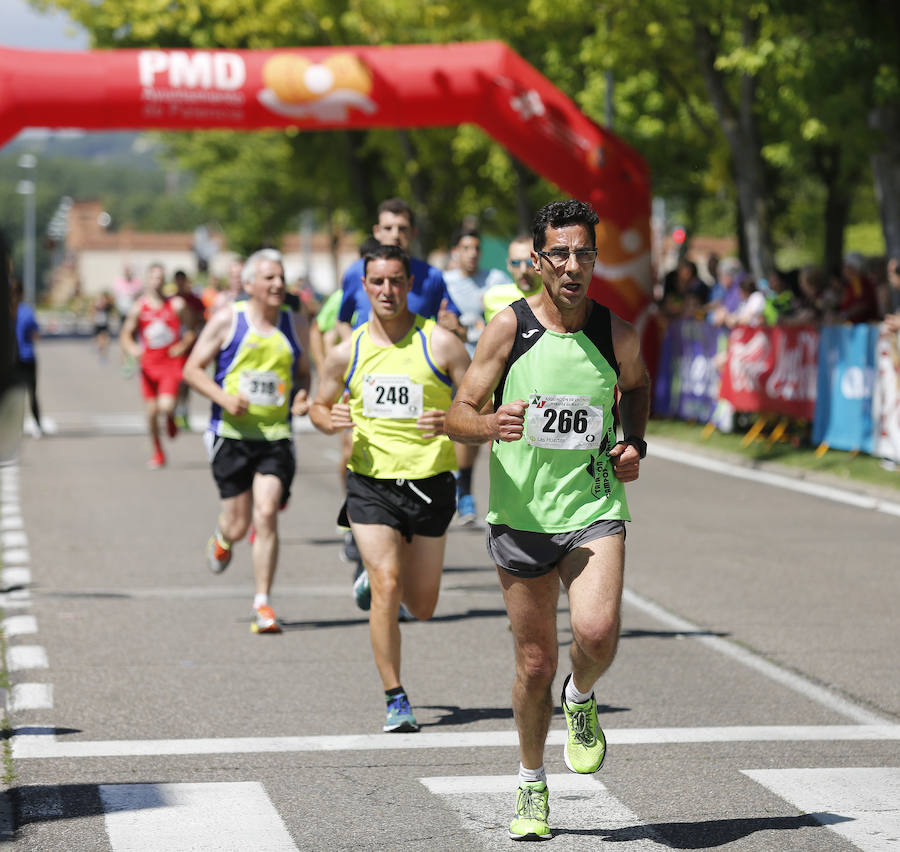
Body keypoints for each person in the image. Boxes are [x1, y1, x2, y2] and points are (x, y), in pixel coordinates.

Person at [445, 199, 650, 841]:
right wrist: (487, 424)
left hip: (592, 509)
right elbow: (458, 412)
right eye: (559, 254)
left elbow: (638, 387)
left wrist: (633, 443)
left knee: (598, 631)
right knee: (534, 665)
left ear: (594, 260)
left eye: (583, 253)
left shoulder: (615, 334)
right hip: (520, 518)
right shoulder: (508, 330)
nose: (572, 266)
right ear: (538, 262)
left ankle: (582, 697)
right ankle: (532, 785)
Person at [309, 244, 471, 732]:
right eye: (377, 281)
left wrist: (451, 419)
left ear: (409, 284)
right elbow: (318, 406)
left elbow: (480, 407)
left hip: (430, 482)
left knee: (422, 607)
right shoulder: (347, 352)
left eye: (395, 281)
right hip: (371, 483)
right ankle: (395, 696)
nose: (386, 290)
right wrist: (326, 417)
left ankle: (379, 582)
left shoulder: (441, 345)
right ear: (364, 286)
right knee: (388, 583)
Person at [183, 249, 311, 634]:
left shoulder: (296, 324)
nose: (276, 284)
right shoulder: (228, 320)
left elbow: (304, 373)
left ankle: (263, 604)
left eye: (281, 277)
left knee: (267, 511)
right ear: (250, 284)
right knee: (238, 525)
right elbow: (192, 369)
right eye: (268, 278)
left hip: (275, 436)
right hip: (232, 437)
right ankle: (224, 537)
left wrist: (302, 396)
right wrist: (223, 398)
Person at [443, 228, 511, 524]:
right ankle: (461, 490)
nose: (471, 254)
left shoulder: (496, 280)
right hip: (456, 366)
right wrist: (453, 329)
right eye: (465, 247)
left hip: (489, 367)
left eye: (476, 248)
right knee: (462, 427)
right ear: (455, 251)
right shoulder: (445, 282)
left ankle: (469, 491)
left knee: (486, 429)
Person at [119, 263, 198, 468]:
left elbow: (191, 331)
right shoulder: (140, 307)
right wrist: (133, 350)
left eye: (161, 277)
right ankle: (158, 452)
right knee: (151, 413)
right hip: (148, 365)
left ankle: (171, 416)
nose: (157, 281)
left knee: (165, 406)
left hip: (170, 364)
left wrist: (182, 346)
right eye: (153, 277)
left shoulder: (177, 305)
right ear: (147, 280)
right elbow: (126, 334)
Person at [172, 269, 206, 430]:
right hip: (173, 346)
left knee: (186, 381)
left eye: (182, 280)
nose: (179, 283)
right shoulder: (171, 300)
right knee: (174, 380)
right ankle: (174, 412)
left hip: (190, 346)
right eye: (177, 281)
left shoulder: (194, 300)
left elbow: (202, 319)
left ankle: (183, 411)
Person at [483, 234, 543, 323]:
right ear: (508, 265)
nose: (523, 270)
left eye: (530, 262)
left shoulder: (553, 295)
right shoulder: (493, 297)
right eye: (515, 263)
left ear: (540, 262)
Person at [10, 278, 42, 437]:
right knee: (32, 393)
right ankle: (37, 424)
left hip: (10, 359)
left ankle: (13, 427)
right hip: (27, 357)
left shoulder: (7, 310)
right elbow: (35, 334)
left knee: (12, 395)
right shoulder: (26, 311)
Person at [91, 290, 115, 362]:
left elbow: (111, 307)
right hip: (98, 323)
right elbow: (93, 311)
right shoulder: (96, 304)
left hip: (105, 324)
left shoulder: (108, 305)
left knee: (106, 338)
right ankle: (100, 349)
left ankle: (103, 353)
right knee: (98, 339)